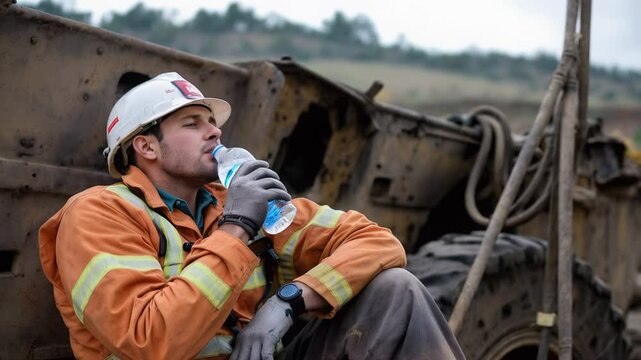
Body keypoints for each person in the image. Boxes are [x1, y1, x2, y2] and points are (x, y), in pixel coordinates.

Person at [39, 72, 465, 360]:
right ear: (146, 147)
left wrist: (285, 304)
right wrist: (237, 226)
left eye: (212, 121)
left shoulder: (236, 201)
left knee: (396, 290)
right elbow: (152, 340)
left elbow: (379, 243)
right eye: (192, 123)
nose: (215, 132)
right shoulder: (99, 214)